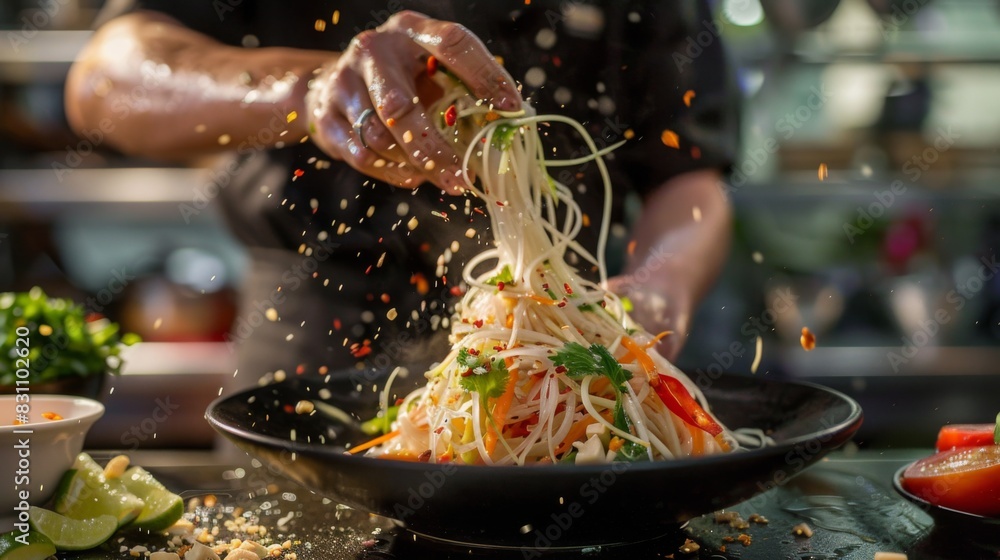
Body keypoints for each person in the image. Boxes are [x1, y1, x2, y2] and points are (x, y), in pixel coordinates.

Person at [65, 1, 738, 385]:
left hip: (563, 338)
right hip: (311, 339)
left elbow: (689, 173)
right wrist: (310, 92)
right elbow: (104, 80)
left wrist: (660, 281)